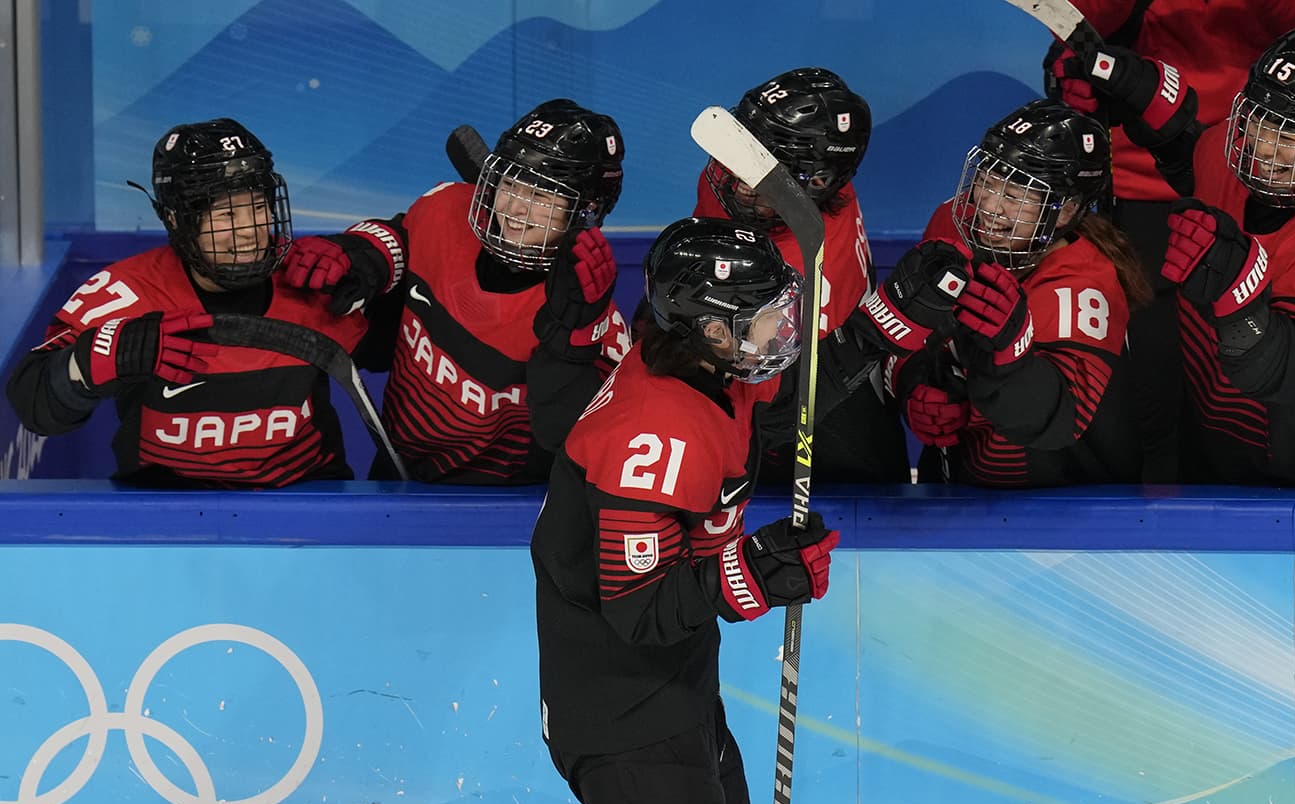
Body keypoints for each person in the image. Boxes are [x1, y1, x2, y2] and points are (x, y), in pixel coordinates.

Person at [531, 217, 842, 804]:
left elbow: (783, 414)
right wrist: (756, 573)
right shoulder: (656, 431)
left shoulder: (707, 375)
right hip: (623, 713)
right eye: (761, 316)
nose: (779, 329)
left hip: (676, 693)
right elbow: (638, 611)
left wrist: (884, 336)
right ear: (706, 330)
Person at [1053, 23, 1295, 487]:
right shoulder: (1237, 152)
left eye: (1288, 135)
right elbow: (1197, 160)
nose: (1263, 147)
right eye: (1260, 120)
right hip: (1219, 474)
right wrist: (1140, 95)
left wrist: (1239, 296)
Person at [1044, 0, 1295, 481]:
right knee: (1151, 395)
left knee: (1243, 382)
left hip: (1257, 169)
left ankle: (1232, 534)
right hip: (1140, 180)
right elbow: (1079, 19)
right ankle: (1157, 540)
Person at [282, 99, 631, 483]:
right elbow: (402, 238)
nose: (515, 208)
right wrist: (358, 255)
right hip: (398, 480)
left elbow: (573, 444)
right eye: (511, 185)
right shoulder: (448, 208)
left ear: (585, 210)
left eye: (541, 197)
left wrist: (572, 343)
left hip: (507, 508)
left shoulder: (597, 324)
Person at [6, 118, 365, 488]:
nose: (249, 229)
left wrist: (363, 264)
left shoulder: (312, 276)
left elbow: (393, 349)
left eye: (258, 207)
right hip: (165, 516)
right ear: (178, 220)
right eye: (227, 214)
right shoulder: (127, 294)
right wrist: (100, 359)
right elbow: (34, 405)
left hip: (309, 510)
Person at [893, 98, 1148, 486]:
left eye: (1015, 196)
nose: (990, 208)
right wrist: (917, 387)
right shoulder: (954, 220)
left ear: (1064, 211)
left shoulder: (1085, 287)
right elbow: (909, 330)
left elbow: (1055, 424)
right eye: (987, 183)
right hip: (961, 488)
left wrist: (1009, 358)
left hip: (1068, 511)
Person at [691, 66, 911, 484]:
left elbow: (771, 397)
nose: (738, 179)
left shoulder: (796, 268)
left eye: (761, 169)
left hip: (829, 415)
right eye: (744, 148)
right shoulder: (771, 189)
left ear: (817, 182)